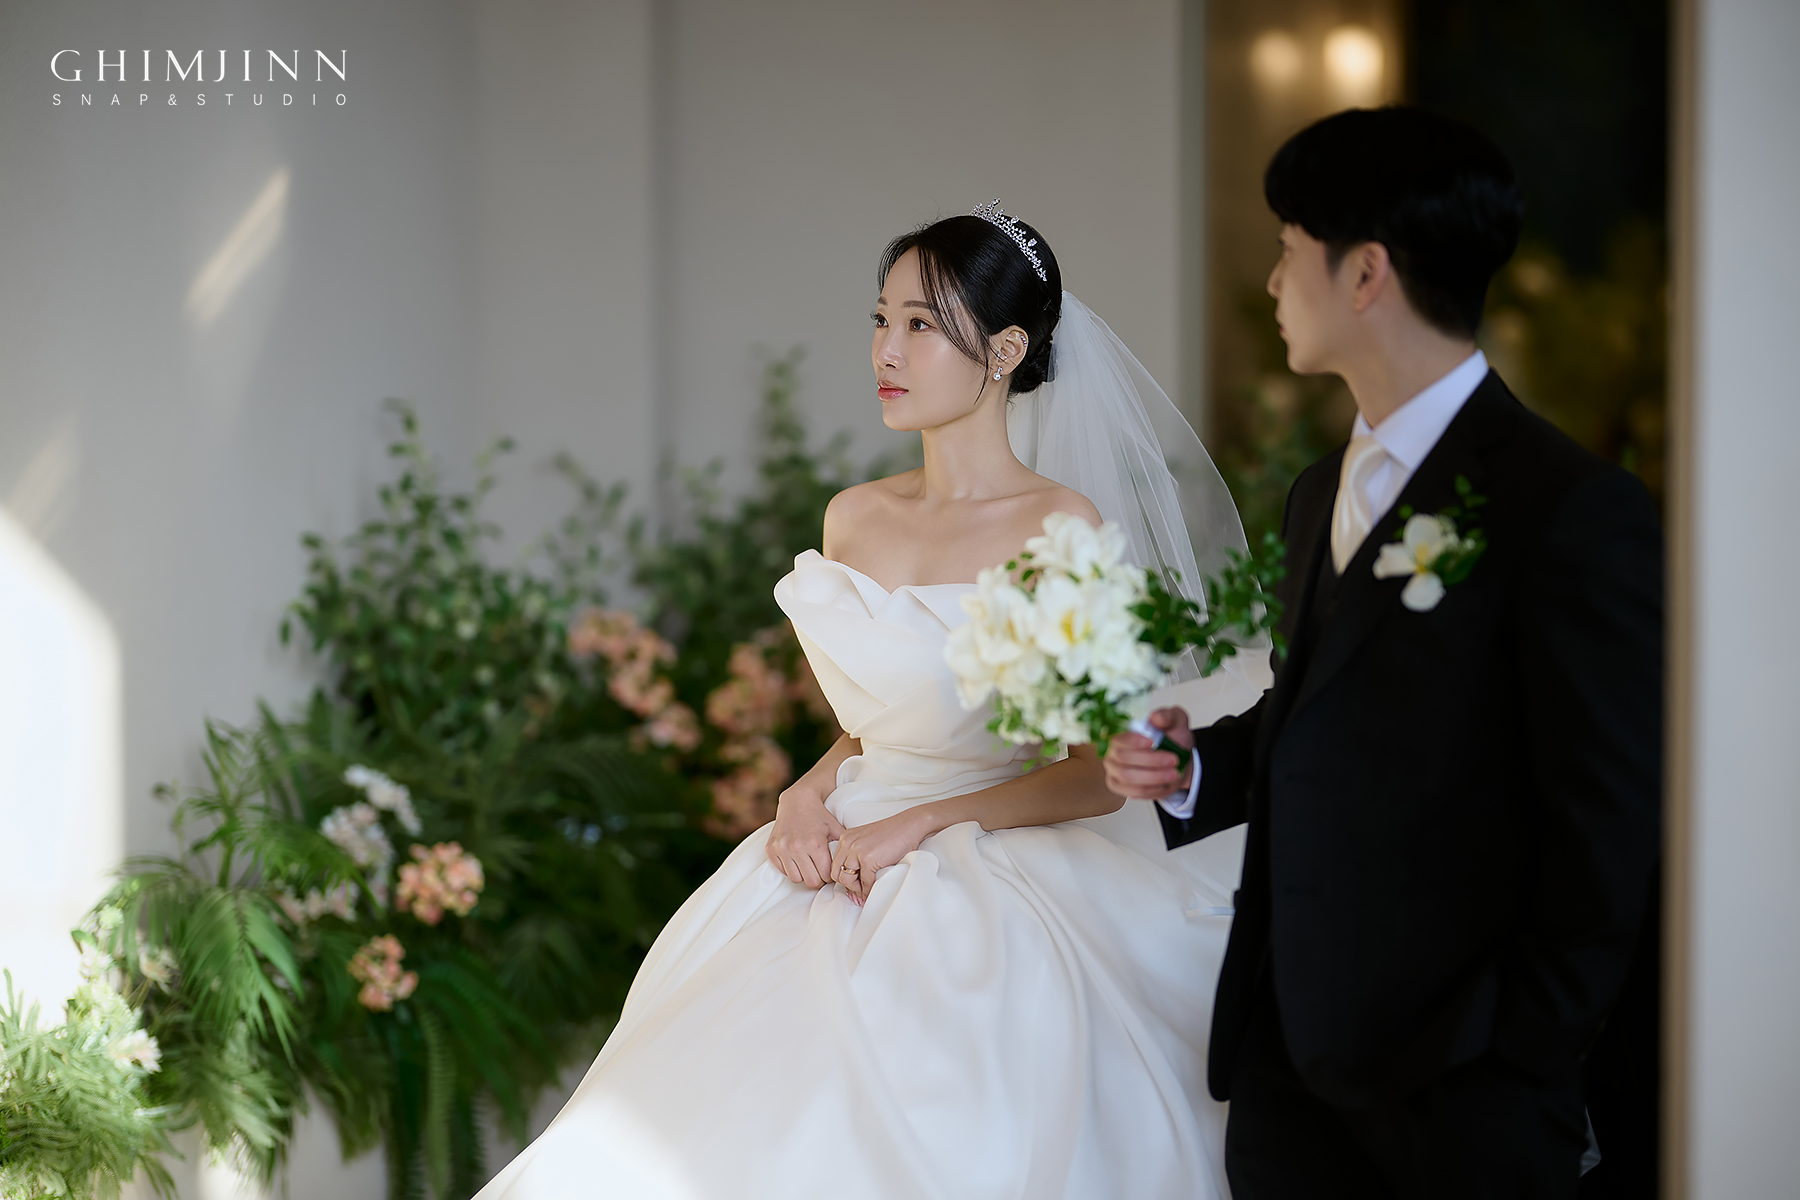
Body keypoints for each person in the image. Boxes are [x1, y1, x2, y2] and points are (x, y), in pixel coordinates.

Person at [475, 204, 1265, 1199]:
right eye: (882, 320)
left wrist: (923, 824)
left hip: (984, 872)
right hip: (833, 851)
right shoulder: (853, 517)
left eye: (922, 325)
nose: (887, 351)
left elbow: (1091, 777)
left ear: (1005, 351)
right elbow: (870, 727)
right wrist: (802, 797)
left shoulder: (1058, 526)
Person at [1103, 106, 1663, 1199]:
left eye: (1288, 247)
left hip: (1460, 1094)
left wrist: (1512, 1053)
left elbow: (1605, 832)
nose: (1274, 281)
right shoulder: (1320, 494)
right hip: (1288, 1071)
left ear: (1365, 273)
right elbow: (1319, 717)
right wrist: (1193, 766)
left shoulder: (1567, 507)